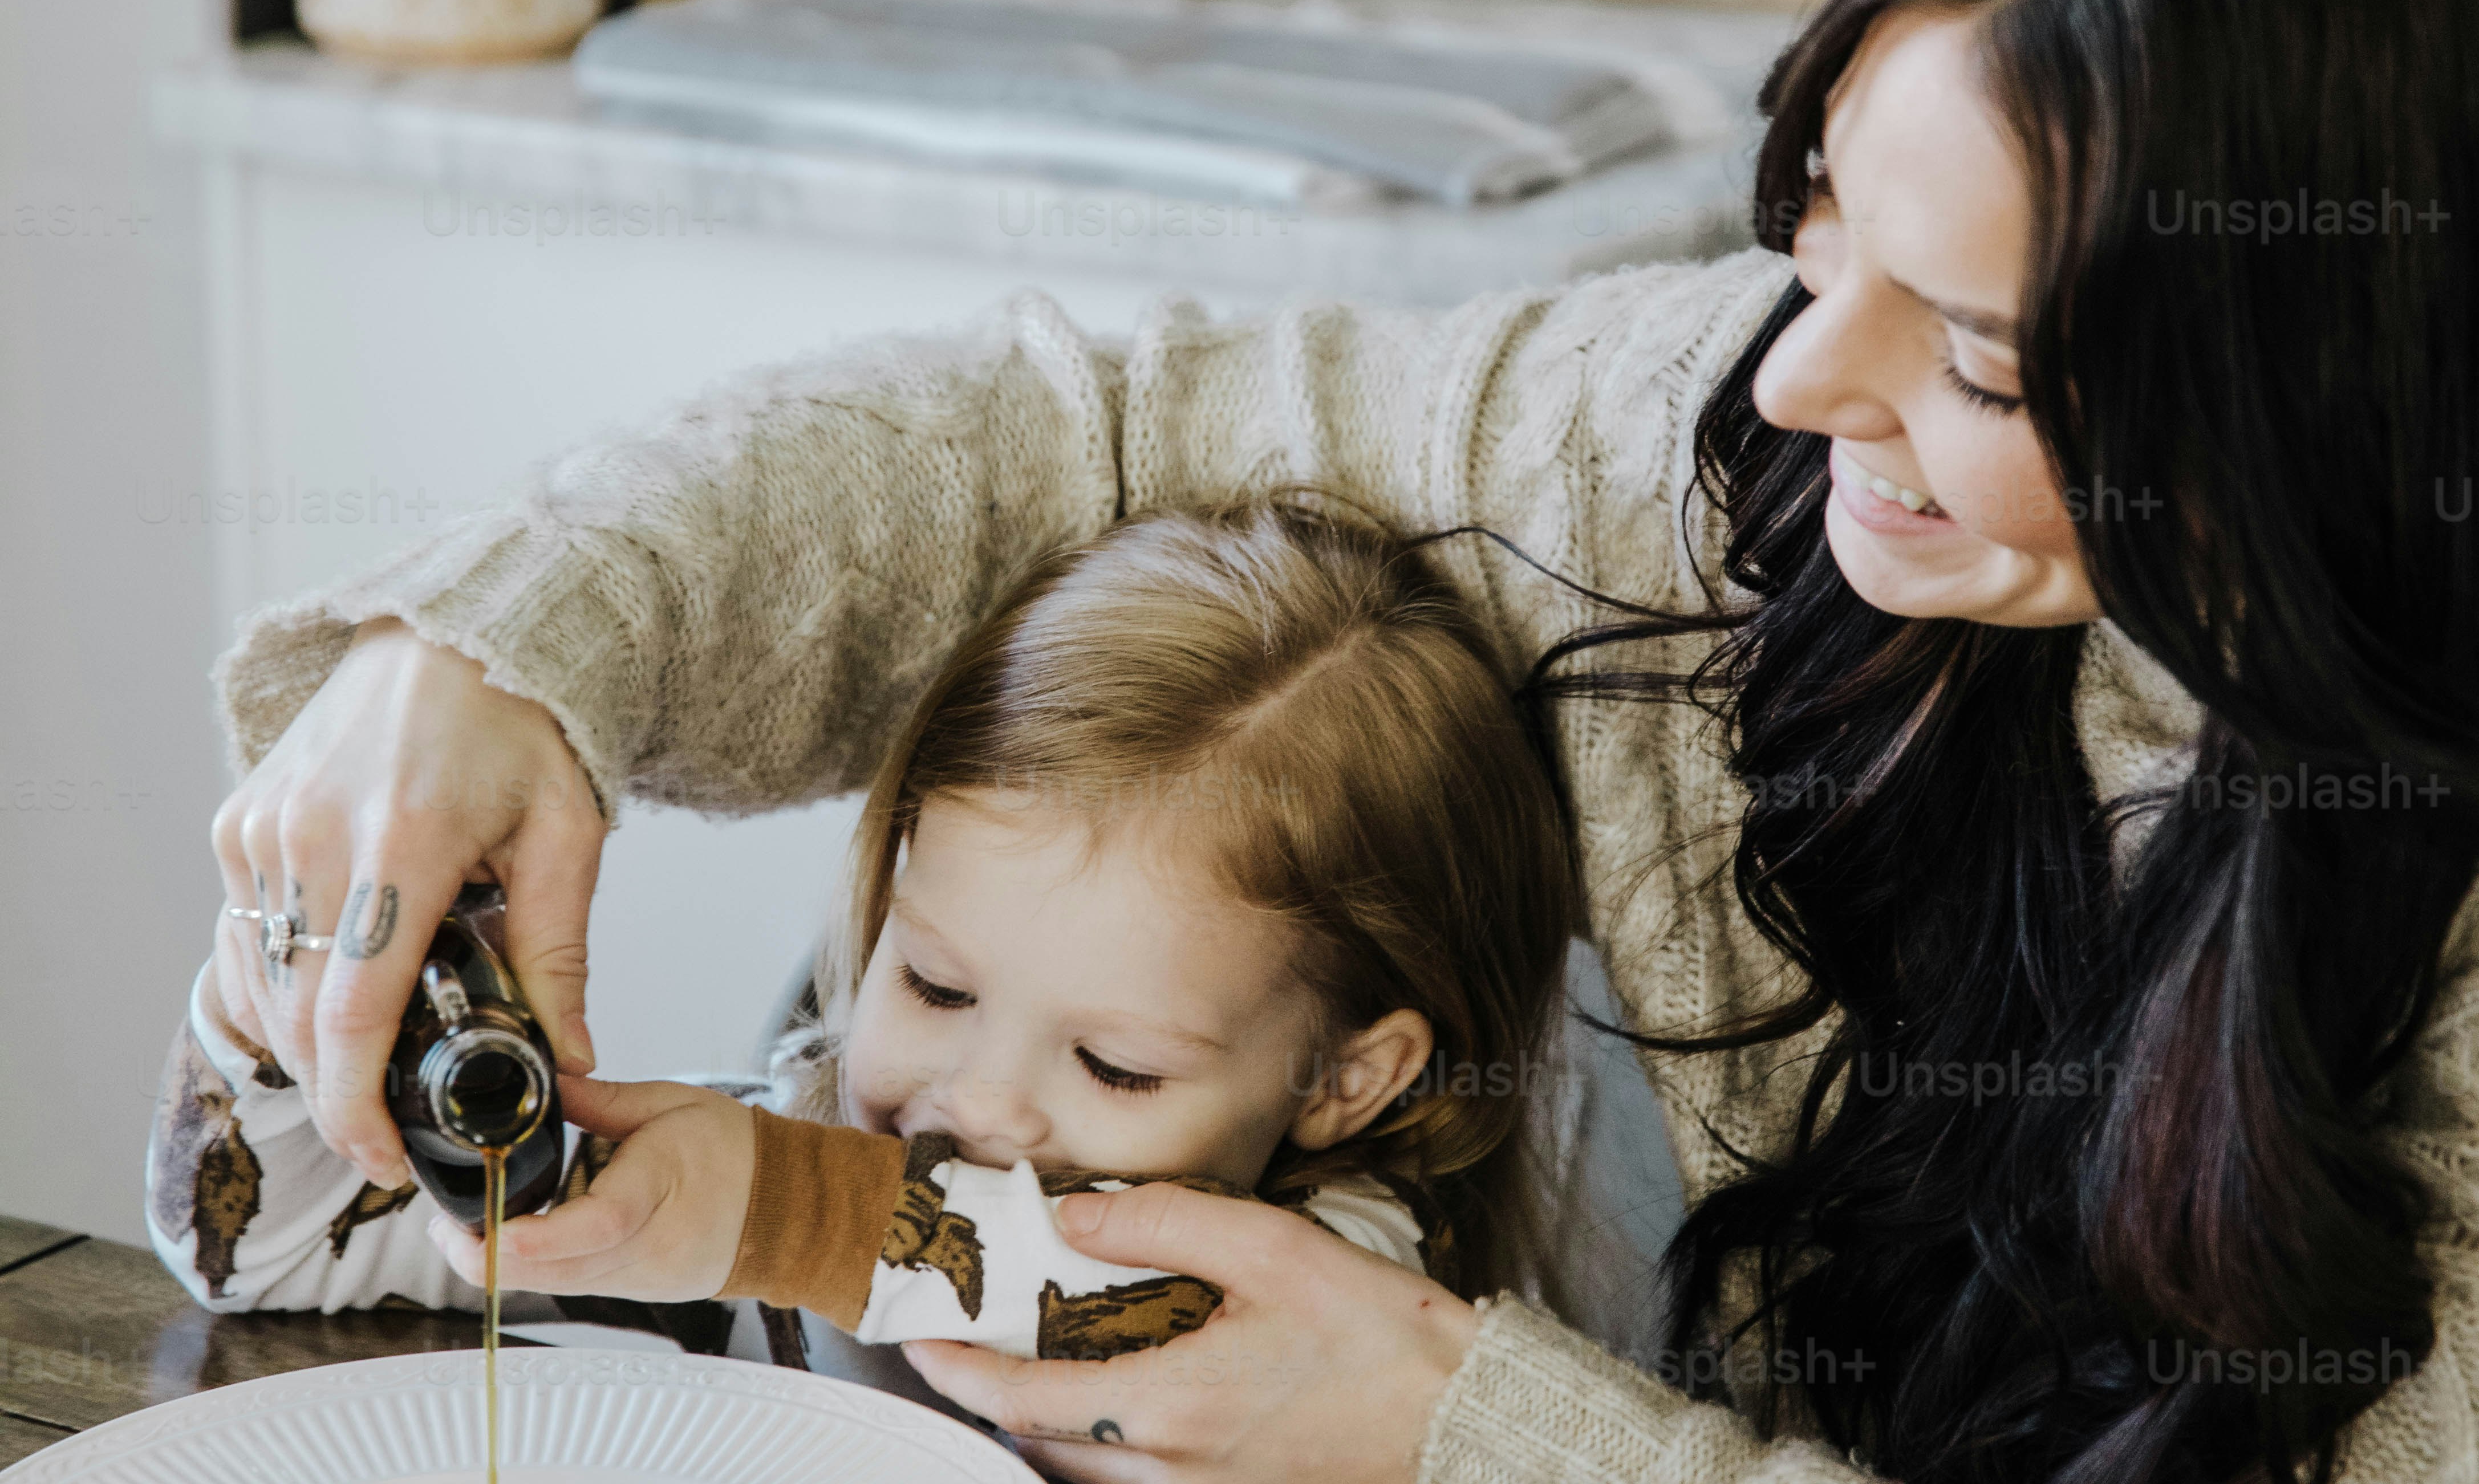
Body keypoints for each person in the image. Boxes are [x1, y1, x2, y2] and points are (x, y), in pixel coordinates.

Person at [207, 0, 2479, 1484]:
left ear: (2321, 433)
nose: (1789, 383)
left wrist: (1478, 1444)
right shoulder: (1728, 431)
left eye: (1980, 362)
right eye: (1816, 222)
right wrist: (508, 652)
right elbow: (1084, 437)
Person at [152, 503, 1575, 1367]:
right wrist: (278, 1022)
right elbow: (261, 1265)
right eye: (936, 983)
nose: (981, 1102)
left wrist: (775, 1218)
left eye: (1119, 1067)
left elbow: (1154, 1305)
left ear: (1344, 1076)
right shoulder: (756, 1157)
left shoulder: (1359, 1273)